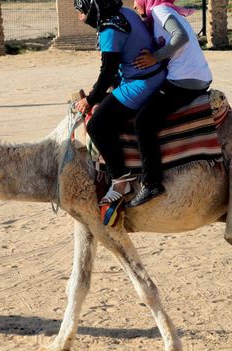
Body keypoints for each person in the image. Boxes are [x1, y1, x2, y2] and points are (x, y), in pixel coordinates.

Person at [74, 0, 166, 205]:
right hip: (148, 75)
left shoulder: (109, 29)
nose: (80, 17)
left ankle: (120, 179)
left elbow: (107, 72)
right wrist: (98, 94)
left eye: (80, 12)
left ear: (91, 9)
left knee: (96, 125)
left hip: (142, 83)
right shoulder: (124, 13)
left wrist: (89, 100)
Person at [128, 0, 213, 206]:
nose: (134, 5)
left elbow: (180, 37)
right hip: (195, 77)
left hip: (183, 81)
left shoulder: (160, 10)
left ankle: (151, 183)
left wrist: (155, 57)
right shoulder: (162, 13)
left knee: (143, 122)